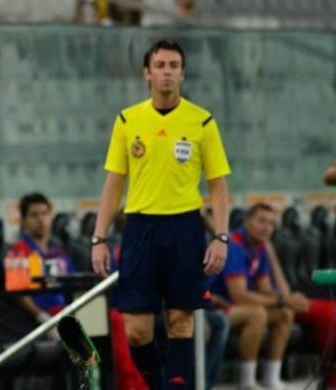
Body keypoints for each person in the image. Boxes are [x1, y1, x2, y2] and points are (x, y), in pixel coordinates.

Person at [91, 39, 231, 389]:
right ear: (147, 73)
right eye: (160, 65)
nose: (166, 72)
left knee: (181, 323)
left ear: (182, 73)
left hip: (185, 228)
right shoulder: (127, 120)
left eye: (173, 66)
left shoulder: (202, 121)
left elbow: (218, 186)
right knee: (137, 331)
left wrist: (221, 237)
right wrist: (99, 238)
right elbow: (113, 184)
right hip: (140, 228)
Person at [209, 203, 311, 390]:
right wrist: (282, 299)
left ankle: (271, 379)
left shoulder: (259, 247)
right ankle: (246, 382)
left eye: (271, 223)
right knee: (257, 314)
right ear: (247, 221)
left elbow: (264, 288)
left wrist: (286, 300)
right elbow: (239, 296)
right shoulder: (234, 244)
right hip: (214, 308)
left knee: (285, 313)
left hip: (236, 306)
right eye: (261, 221)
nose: (267, 227)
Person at [9, 192, 77, 323]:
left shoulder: (59, 253)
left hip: (66, 314)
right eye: (34, 215)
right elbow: (19, 295)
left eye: (44, 214)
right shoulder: (17, 253)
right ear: (23, 220)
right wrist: (40, 316)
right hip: (37, 320)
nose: (40, 219)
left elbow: (76, 285)